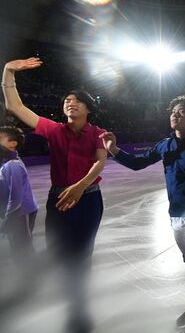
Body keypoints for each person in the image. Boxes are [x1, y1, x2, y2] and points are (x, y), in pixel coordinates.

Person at [3, 57, 107, 333]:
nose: (69, 103)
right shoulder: (53, 130)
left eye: (76, 100)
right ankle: (70, 296)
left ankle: (79, 307)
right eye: (66, 101)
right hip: (58, 199)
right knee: (59, 252)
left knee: (82, 253)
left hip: (88, 199)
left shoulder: (98, 133)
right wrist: (8, 72)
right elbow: (15, 106)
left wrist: (81, 185)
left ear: (88, 108)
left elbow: (99, 162)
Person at [100, 95, 185, 323]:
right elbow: (138, 163)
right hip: (175, 217)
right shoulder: (165, 145)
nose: (174, 114)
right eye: (173, 111)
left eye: (181, 112)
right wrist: (114, 150)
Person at [0, 126, 39, 269]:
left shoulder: (13, 165)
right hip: (15, 212)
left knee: (22, 245)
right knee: (17, 243)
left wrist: (8, 217)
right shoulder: (6, 162)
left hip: (20, 212)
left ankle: (29, 275)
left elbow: (16, 197)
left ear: (13, 143)